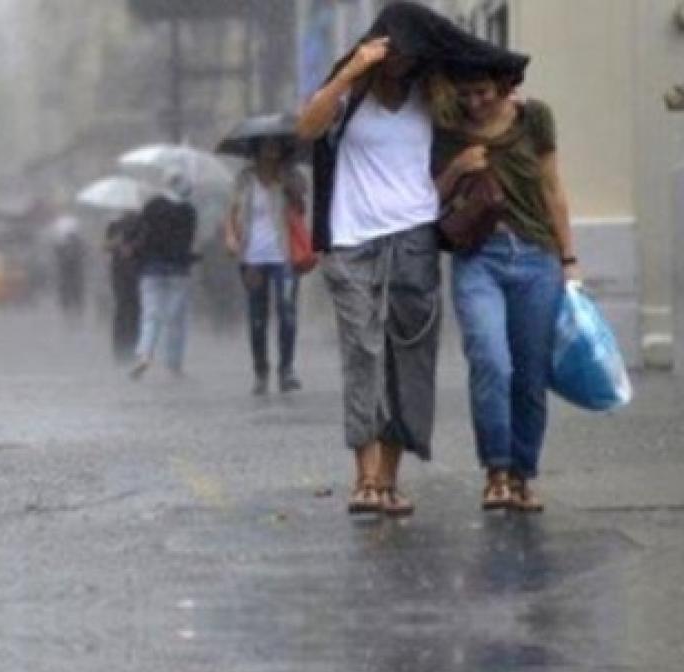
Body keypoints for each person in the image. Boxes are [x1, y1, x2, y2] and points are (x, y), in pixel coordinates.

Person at [297, 2, 527, 516]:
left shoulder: (431, 94)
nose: (402, 65)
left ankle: (389, 478)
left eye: (412, 57)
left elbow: (492, 75)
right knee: (363, 351)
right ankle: (364, 475)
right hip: (352, 240)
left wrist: (498, 120)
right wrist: (354, 68)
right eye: (395, 55)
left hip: (415, 237)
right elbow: (306, 128)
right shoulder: (352, 90)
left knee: (409, 357)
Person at [433, 65, 577, 513]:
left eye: (482, 92)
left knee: (531, 374)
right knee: (490, 359)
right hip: (479, 257)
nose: (474, 102)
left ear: (503, 87)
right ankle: (495, 470)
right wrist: (458, 167)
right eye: (466, 93)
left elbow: (552, 187)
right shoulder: (447, 126)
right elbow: (425, 196)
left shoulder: (534, 118)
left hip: (537, 257)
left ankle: (522, 474)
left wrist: (569, 259)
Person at [224, 136, 307, 395]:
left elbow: (301, 209)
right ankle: (261, 372)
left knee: (287, 314)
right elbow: (233, 211)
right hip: (253, 257)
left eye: (276, 145)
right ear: (256, 150)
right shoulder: (244, 179)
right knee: (258, 318)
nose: (271, 150)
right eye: (266, 146)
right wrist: (231, 238)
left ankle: (287, 370)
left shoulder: (291, 176)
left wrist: (289, 186)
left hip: (283, 256)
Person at [129, 173, 198, 380]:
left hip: (151, 267)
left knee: (150, 314)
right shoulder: (188, 211)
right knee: (176, 319)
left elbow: (141, 231)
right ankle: (174, 364)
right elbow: (188, 240)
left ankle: (144, 354)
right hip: (178, 269)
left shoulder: (152, 206)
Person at [105, 210, 141, 362]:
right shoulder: (114, 226)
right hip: (120, 274)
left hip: (137, 273)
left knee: (134, 311)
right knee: (123, 310)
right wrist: (118, 243)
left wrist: (134, 246)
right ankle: (120, 349)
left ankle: (131, 347)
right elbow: (106, 246)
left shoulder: (143, 226)